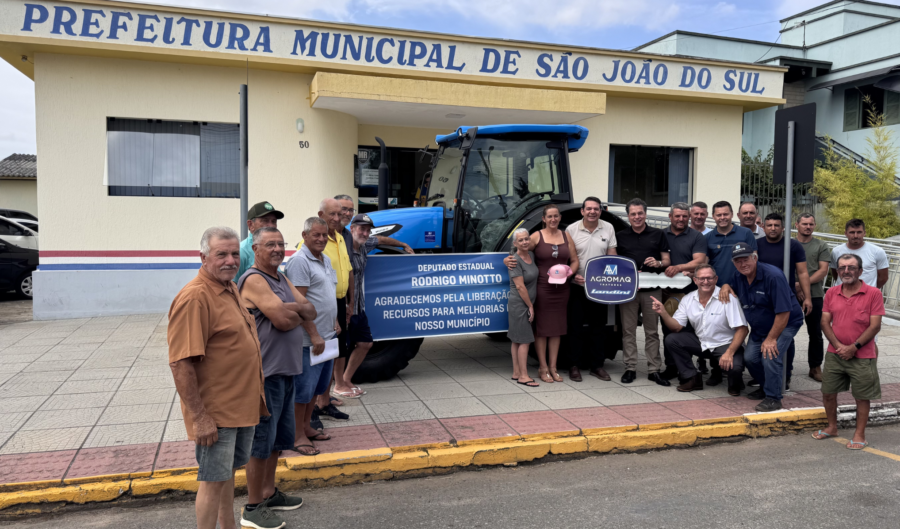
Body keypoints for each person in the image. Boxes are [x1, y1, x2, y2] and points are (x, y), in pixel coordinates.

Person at [167, 226, 266, 529]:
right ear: (203, 257)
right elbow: (180, 363)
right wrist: (200, 417)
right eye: (221, 254)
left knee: (227, 474)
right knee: (212, 480)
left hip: (240, 407)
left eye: (235, 253)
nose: (230, 260)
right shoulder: (195, 297)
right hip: (216, 412)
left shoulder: (230, 287)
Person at [238, 228, 315, 529]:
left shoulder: (280, 278)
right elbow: (284, 320)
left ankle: (269, 493)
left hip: (286, 370)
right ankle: (252, 507)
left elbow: (312, 310)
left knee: (277, 442)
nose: (277, 249)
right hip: (265, 373)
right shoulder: (254, 279)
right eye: (270, 244)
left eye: (281, 244)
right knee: (260, 442)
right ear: (255, 248)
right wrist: (294, 311)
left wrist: (292, 308)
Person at [813, 254, 885, 450]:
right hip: (835, 354)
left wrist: (854, 348)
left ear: (860, 271)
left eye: (851, 267)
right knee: (828, 393)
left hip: (863, 355)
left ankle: (859, 434)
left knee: (861, 396)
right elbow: (824, 322)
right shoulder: (831, 293)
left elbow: (875, 326)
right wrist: (839, 347)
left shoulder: (873, 293)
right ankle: (832, 427)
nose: (846, 271)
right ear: (837, 271)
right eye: (842, 267)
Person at [284, 217, 341, 456]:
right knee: (303, 392)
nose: (320, 239)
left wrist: (335, 320)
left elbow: (328, 294)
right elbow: (300, 303)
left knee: (316, 390)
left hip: (327, 337)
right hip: (310, 340)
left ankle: (307, 426)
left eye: (323, 235)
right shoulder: (299, 261)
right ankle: (297, 436)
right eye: (315, 235)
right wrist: (315, 334)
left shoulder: (325, 259)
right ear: (304, 235)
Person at [726, 242, 805, 412]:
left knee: (769, 355)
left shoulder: (773, 276)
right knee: (750, 359)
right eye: (738, 261)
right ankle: (766, 386)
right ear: (734, 263)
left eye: (746, 259)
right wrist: (725, 286)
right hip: (761, 326)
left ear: (755, 258)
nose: (743, 264)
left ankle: (773, 398)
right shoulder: (738, 276)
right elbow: (730, 285)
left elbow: (784, 312)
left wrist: (771, 339)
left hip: (786, 323)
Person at [651, 264, 748, 395]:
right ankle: (692, 378)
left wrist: (730, 353)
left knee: (735, 369)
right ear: (695, 280)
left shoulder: (728, 298)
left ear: (716, 279)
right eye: (701, 279)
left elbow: (742, 329)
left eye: (709, 278)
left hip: (726, 344)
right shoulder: (688, 299)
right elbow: (676, 327)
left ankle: (735, 380)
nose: (705, 282)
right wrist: (663, 312)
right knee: (672, 339)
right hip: (702, 342)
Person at [615, 198, 671, 386]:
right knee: (628, 330)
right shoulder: (620, 235)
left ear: (645, 214)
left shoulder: (658, 234)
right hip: (628, 291)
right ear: (628, 216)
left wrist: (659, 263)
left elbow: (667, 260)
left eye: (640, 213)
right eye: (633, 214)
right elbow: (614, 262)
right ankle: (630, 368)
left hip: (652, 290)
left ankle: (653, 369)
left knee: (652, 331)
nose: (637, 217)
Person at [307, 198, 352, 423]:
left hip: (336, 306)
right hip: (318, 313)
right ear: (321, 215)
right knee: (317, 361)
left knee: (332, 355)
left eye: (340, 212)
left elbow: (346, 271)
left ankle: (324, 403)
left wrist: (347, 305)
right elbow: (302, 294)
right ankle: (313, 407)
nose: (337, 217)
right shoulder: (308, 248)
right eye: (332, 214)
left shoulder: (340, 239)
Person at [564, 196, 617, 382]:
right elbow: (566, 259)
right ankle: (574, 366)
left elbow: (612, 257)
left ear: (600, 211)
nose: (592, 212)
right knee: (575, 327)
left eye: (596, 209)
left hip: (599, 288)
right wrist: (572, 275)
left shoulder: (608, 228)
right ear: (582, 211)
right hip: (577, 287)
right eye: (589, 209)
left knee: (599, 328)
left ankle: (597, 366)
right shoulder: (571, 229)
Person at [659, 202, 709, 382]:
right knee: (668, 329)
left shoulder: (697, 237)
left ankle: (686, 369)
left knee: (688, 331)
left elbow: (700, 261)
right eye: (677, 216)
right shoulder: (661, 235)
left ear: (689, 217)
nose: (681, 219)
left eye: (684, 216)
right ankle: (671, 367)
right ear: (670, 217)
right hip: (665, 292)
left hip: (690, 292)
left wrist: (678, 267)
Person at [333, 214, 380, 398]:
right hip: (344, 308)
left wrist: (404, 245)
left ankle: (346, 379)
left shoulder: (364, 245)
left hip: (359, 308)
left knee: (365, 343)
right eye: (361, 229)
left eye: (368, 230)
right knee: (341, 348)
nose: (365, 233)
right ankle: (338, 385)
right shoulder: (342, 250)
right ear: (352, 229)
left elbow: (381, 239)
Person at [532, 204, 578, 383]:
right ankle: (542, 367)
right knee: (542, 329)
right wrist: (509, 259)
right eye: (549, 216)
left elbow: (574, 260)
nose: (553, 219)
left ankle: (553, 366)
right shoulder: (537, 236)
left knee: (557, 329)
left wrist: (569, 273)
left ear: (559, 218)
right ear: (543, 219)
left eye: (556, 216)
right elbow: (521, 252)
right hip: (542, 288)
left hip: (562, 289)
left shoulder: (566, 236)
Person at [796, 213, 832, 382]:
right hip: (791, 293)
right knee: (784, 330)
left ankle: (815, 367)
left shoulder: (821, 245)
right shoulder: (789, 244)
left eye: (811, 224)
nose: (808, 227)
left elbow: (823, 271)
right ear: (797, 225)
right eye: (804, 224)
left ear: (814, 226)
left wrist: (803, 285)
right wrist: (796, 287)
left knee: (816, 333)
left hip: (815, 295)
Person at [507, 228, 540, 387]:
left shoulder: (531, 255)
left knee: (516, 339)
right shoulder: (514, 260)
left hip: (523, 303)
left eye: (526, 239)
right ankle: (524, 376)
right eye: (520, 240)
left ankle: (516, 372)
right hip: (520, 303)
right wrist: (530, 306)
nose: (525, 242)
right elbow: (520, 287)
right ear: (515, 243)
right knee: (525, 340)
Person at [705, 201, 758, 287]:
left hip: (743, 286)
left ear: (732, 214)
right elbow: (704, 264)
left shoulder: (746, 233)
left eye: (726, 214)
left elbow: (754, 259)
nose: (722, 217)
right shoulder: (707, 238)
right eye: (719, 215)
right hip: (717, 287)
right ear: (713, 216)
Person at [830, 219, 889, 289]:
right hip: (842, 295)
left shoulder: (877, 251)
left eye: (859, 232)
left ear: (864, 233)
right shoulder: (836, 251)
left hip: (866, 296)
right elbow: (836, 274)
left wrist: (870, 291)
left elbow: (883, 278)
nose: (855, 236)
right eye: (852, 232)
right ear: (845, 233)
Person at [238, 202, 284, 280]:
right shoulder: (241, 251)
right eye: (265, 221)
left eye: (274, 221)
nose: (271, 225)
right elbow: (232, 287)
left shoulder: (276, 248)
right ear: (250, 225)